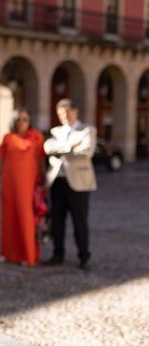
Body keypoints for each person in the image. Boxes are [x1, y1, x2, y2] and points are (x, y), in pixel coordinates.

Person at [43, 98, 97, 270]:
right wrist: (70, 145)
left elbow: (86, 151)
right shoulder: (55, 131)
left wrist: (60, 149)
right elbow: (47, 148)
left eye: (67, 112)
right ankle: (58, 254)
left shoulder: (87, 130)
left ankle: (84, 256)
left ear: (75, 111)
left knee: (79, 221)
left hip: (79, 184)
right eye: (60, 113)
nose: (64, 116)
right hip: (57, 182)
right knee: (57, 221)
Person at [0, 109, 45, 266]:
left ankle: (28, 255)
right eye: (19, 119)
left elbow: (40, 162)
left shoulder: (37, 137)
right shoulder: (7, 138)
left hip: (29, 185)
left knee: (27, 216)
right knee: (9, 218)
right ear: (14, 121)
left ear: (29, 121)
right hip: (10, 184)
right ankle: (8, 253)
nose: (22, 122)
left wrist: (42, 183)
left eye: (25, 119)